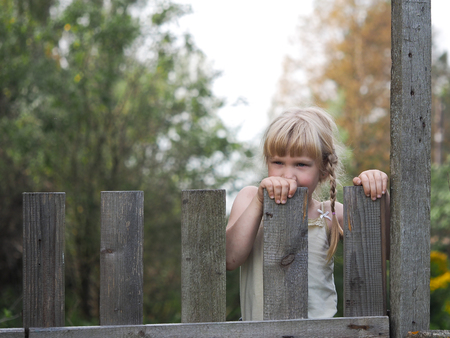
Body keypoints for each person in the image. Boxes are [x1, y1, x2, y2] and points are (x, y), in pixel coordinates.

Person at [225, 107, 389, 320]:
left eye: (301, 164)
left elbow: (384, 251)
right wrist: (259, 202)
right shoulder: (250, 199)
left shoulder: (331, 213)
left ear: (322, 171)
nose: (287, 174)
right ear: (267, 162)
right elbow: (230, 259)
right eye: (278, 162)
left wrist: (376, 193)